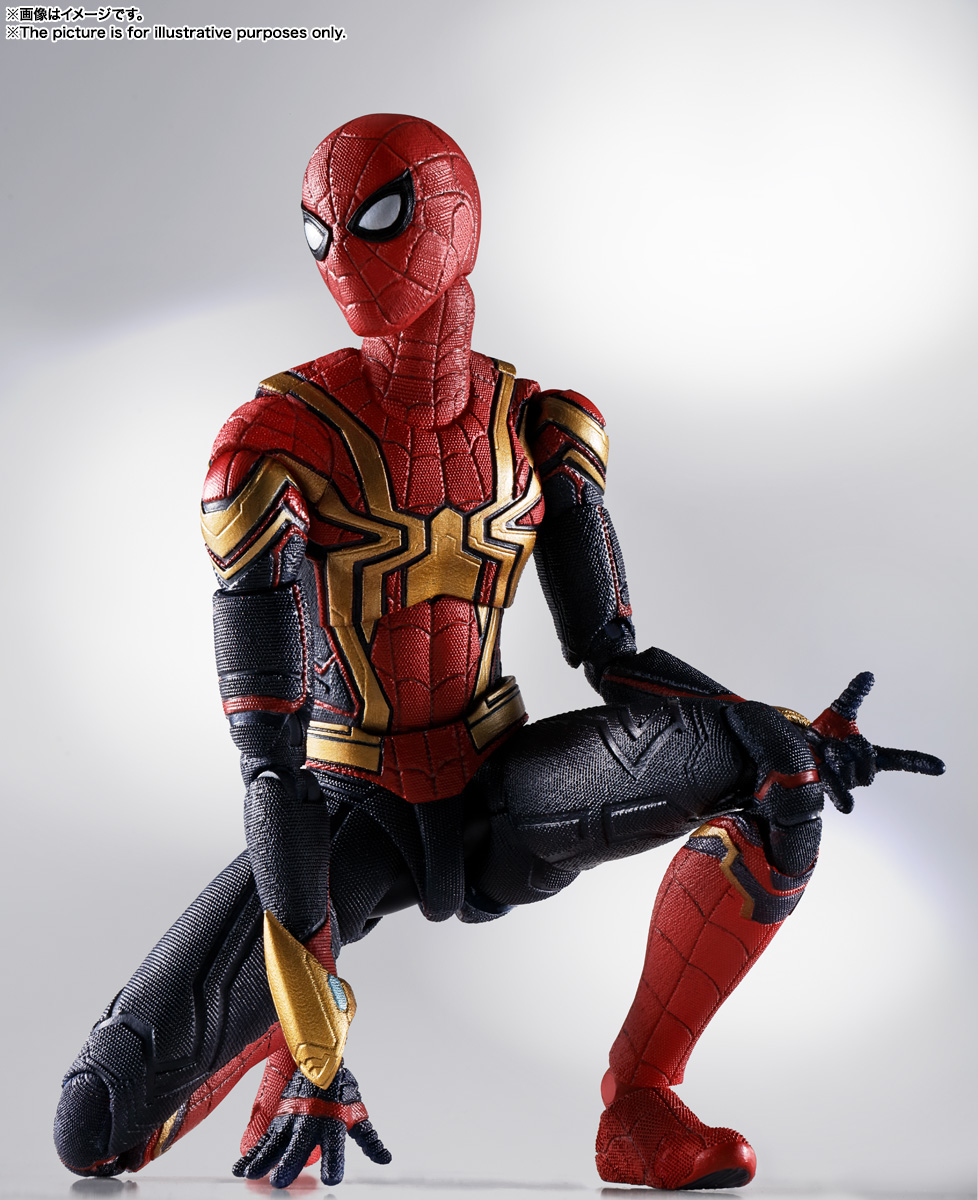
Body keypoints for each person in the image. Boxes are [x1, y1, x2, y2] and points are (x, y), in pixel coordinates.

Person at [54, 113, 943, 1192]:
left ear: (457, 221)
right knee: (95, 1126)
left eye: (380, 219)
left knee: (779, 770)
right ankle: (284, 1060)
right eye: (320, 233)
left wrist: (777, 726)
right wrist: (314, 1040)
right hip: (347, 807)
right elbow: (271, 767)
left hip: (499, 788)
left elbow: (611, 652)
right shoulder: (274, 446)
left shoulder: (541, 424)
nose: (345, 259)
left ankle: (641, 1101)